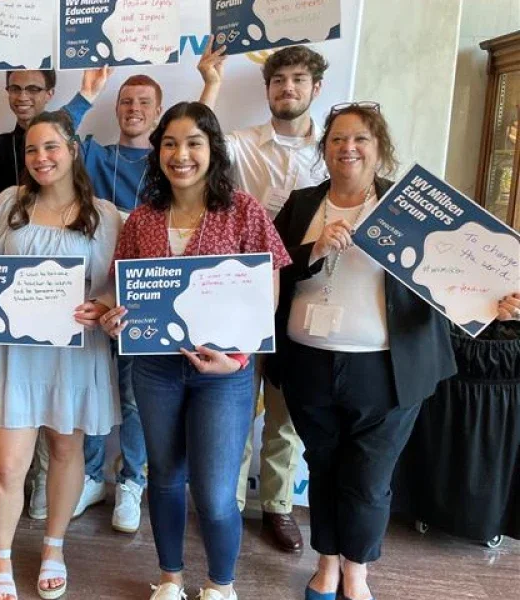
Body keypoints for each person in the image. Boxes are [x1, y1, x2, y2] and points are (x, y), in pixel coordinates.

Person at [100, 101, 292, 600]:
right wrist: (113, 318)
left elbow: (267, 294)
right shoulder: (142, 219)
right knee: (164, 478)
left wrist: (239, 359)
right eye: (169, 144)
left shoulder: (245, 210)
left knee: (214, 493)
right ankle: (170, 579)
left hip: (225, 374)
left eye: (193, 143)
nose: (180, 155)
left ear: (213, 150)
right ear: (157, 152)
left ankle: (220, 586)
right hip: (156, 370)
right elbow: (124, 291)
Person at [268, 103, 456, 600]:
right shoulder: (302, 204)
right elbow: (270, 271)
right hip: (308, 362)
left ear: (379, 149)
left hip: (386, 369)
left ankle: (357, 571)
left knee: (369, 478)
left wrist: (492, 301)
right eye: (337, 139)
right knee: (323, 466)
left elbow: (452, 275)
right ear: (324, 148)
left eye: (360, 139)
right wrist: (314, 249)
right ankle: (326, 564)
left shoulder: (409, 207)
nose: (347, 148)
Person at [0, 110, 121, 600]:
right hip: (13, 353)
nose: (41, 158)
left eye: (51, 147)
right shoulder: (9, 202)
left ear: (73, 150)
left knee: (65, 452)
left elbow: (112, 284)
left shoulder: (106, 214)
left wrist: (101, 304)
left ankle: (54, 548)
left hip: (74, 351)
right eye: (33, 150)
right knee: (8, 464)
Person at [198, 43, 331, 551]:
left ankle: (277, 504)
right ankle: (225, 505)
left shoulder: (334, 150)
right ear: (267, 89)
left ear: (316, 88)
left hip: (307, 287)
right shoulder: (242, 142)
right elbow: (200, 146)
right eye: (278, 81)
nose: (287, 88)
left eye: (298, 80)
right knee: (234, 400)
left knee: (286, 407)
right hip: (241, 290)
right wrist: (211, 84)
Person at [69, 73, 165, 530]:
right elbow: (57, 134)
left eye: (144, 102)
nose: (134, 109)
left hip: (143, 298)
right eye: (126, 101)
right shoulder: (95, 154)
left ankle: (131, 481)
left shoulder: (168, 163)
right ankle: (90, 477)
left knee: (133, 399)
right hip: (89, 290)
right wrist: (86, 94)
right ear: (115, 108)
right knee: (91, 388)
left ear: (158, 111)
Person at [0, 64, 111, 205]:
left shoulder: (63, 139)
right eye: (15, 88)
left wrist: (86, 95)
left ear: (49, 94)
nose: (22, 97)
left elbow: (61, 124)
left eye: (33, 89)